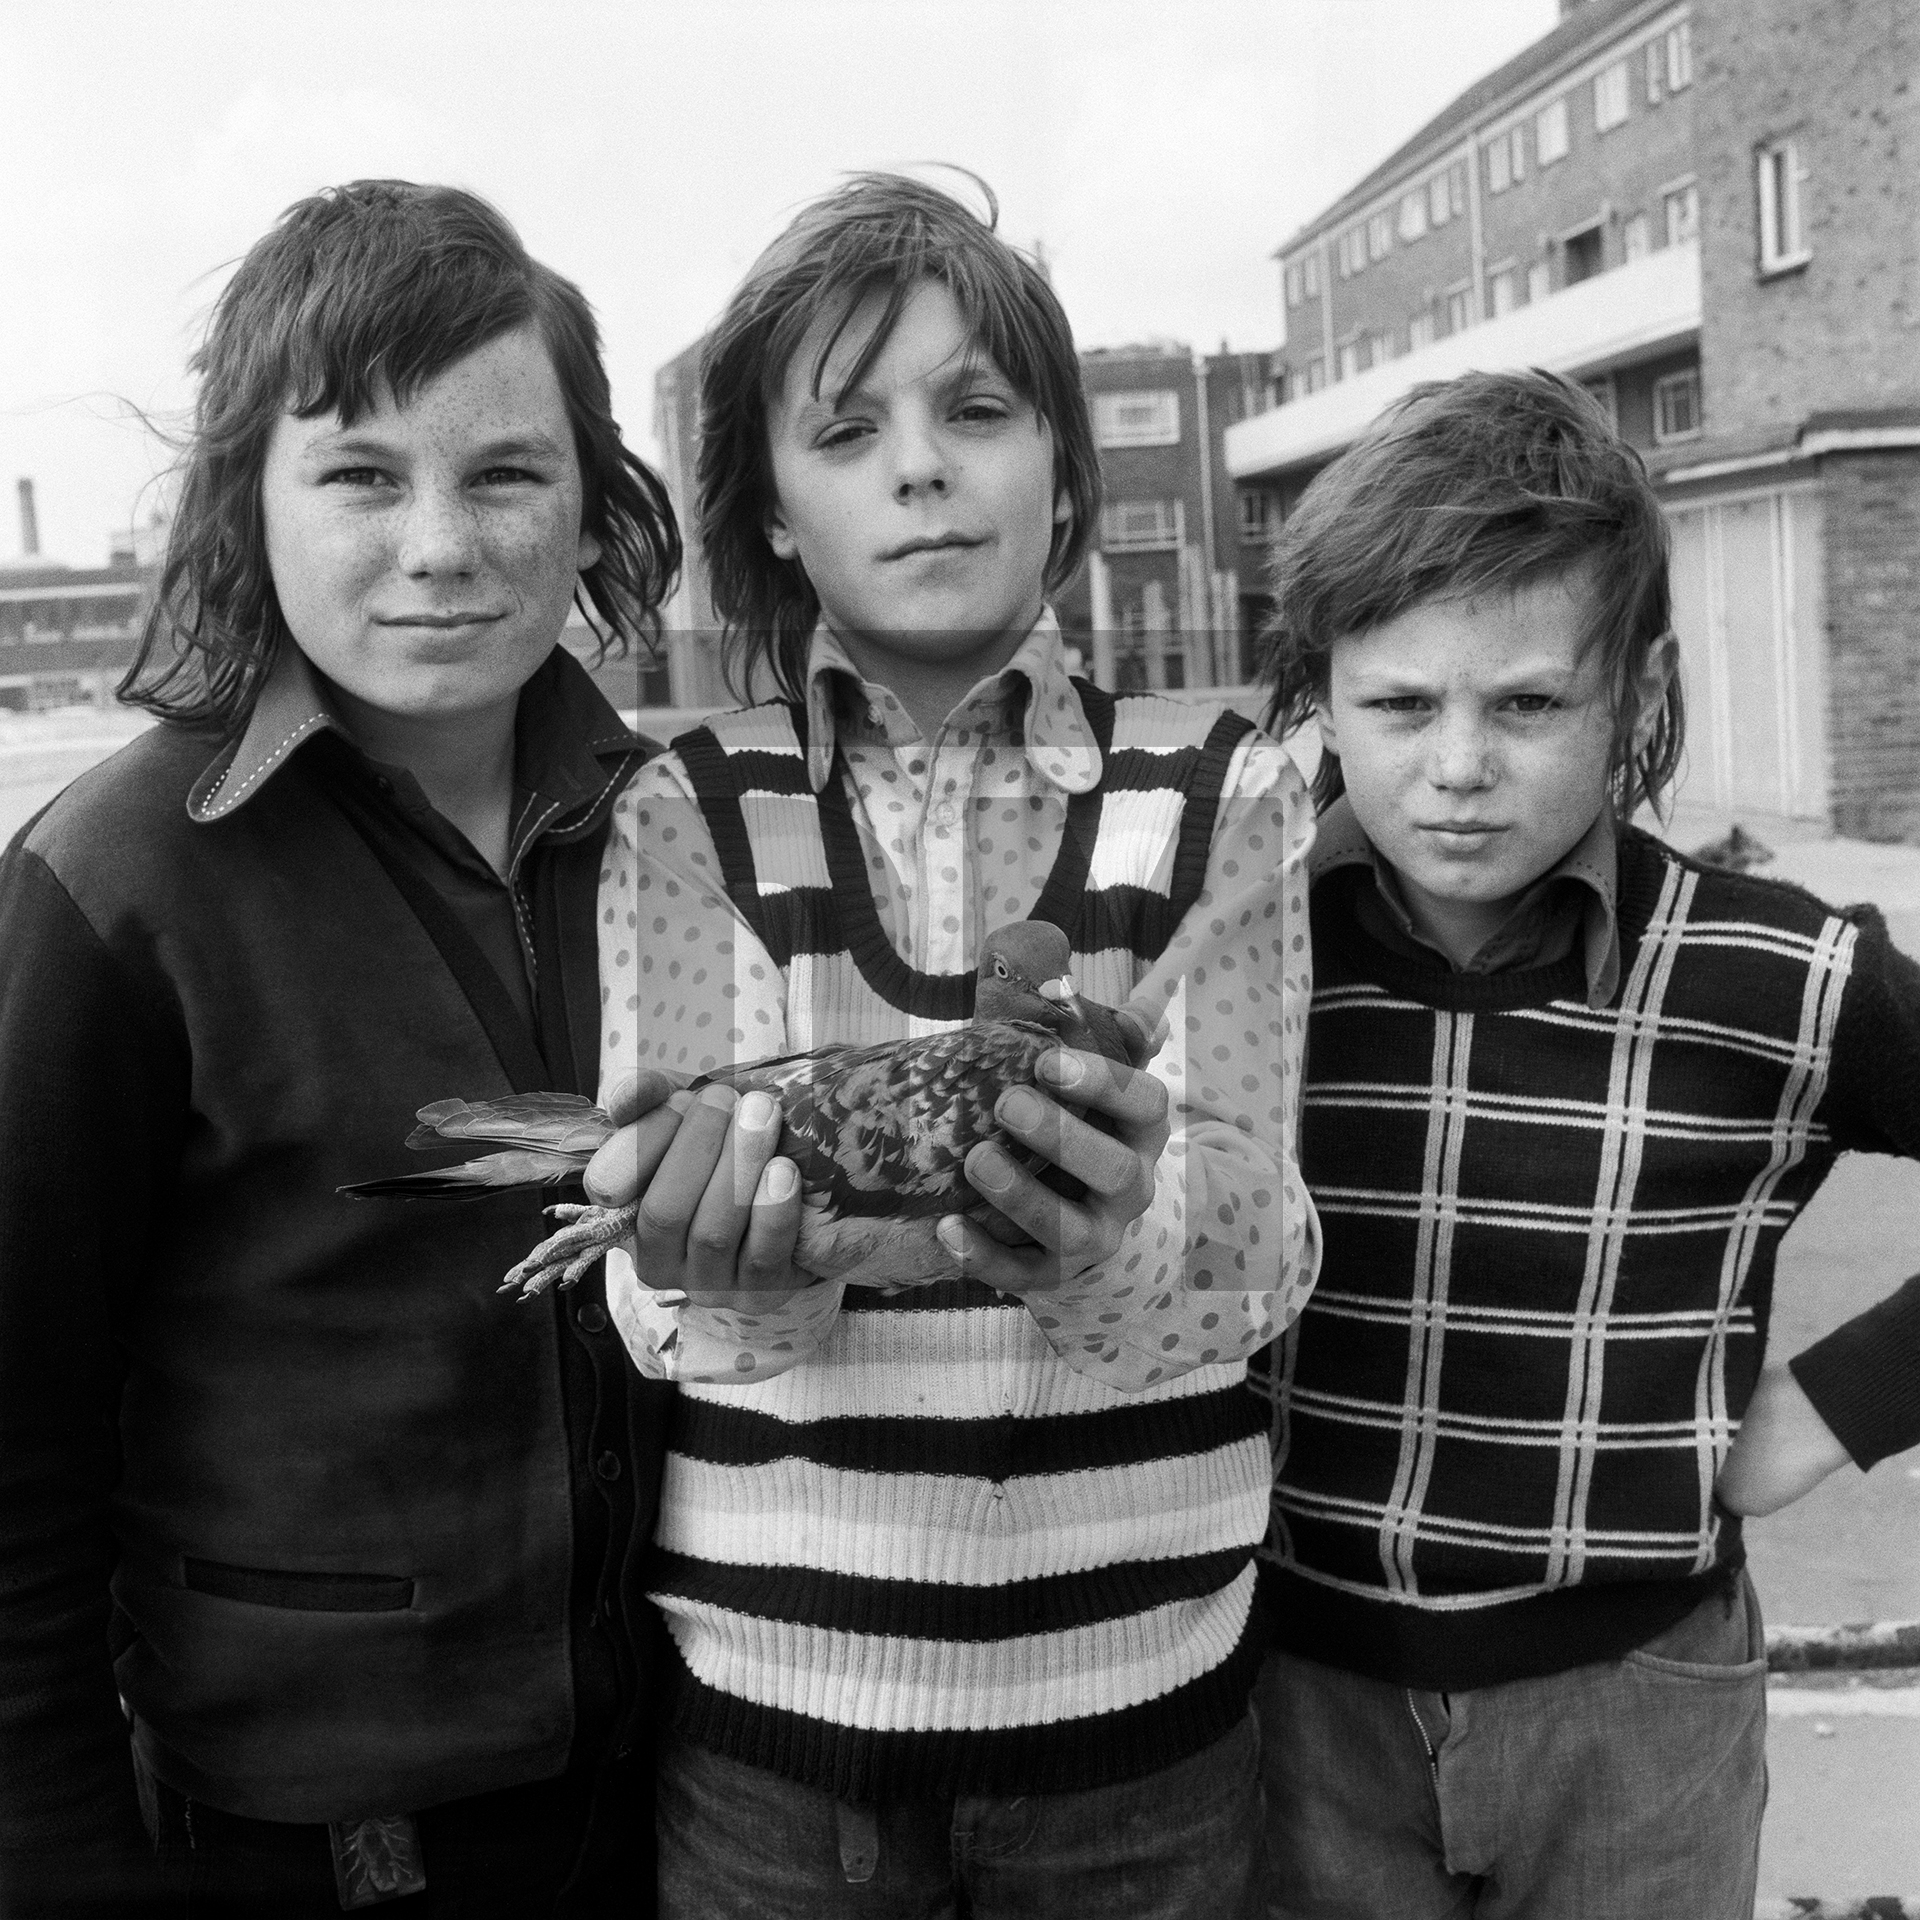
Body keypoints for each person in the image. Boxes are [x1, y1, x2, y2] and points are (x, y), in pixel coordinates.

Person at [581, 172, 1320, 1918]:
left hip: (1142, 1728)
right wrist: (725, 1272)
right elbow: (671, 1315)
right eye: (847, 429)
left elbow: (1262, 1241)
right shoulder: (685, 815)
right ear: (768, 508)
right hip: (775, 1737)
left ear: (1065, 470)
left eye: (977, 411)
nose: (921, 465)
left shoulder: (1228, 797)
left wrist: (1105, 1246)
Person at [0, 180, 689, 1917]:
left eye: (505, 473)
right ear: (252, 501)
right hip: (319, 1838)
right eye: (363, 474)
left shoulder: (695, 837)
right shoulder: (114, 882)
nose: (440, 544)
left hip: (692, 1791)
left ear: (595, 501)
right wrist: (60, 1861)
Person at [1251, 367, 1920, 1919]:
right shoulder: (1236, 953)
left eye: (1530, 702)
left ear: (1638, 688)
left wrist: (1837, 1403)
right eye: (1401, 704)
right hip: (1292, 1710)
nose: (1460, 766)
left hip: (1640, 1715)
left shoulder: (1785, 977)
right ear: (1324, 686)